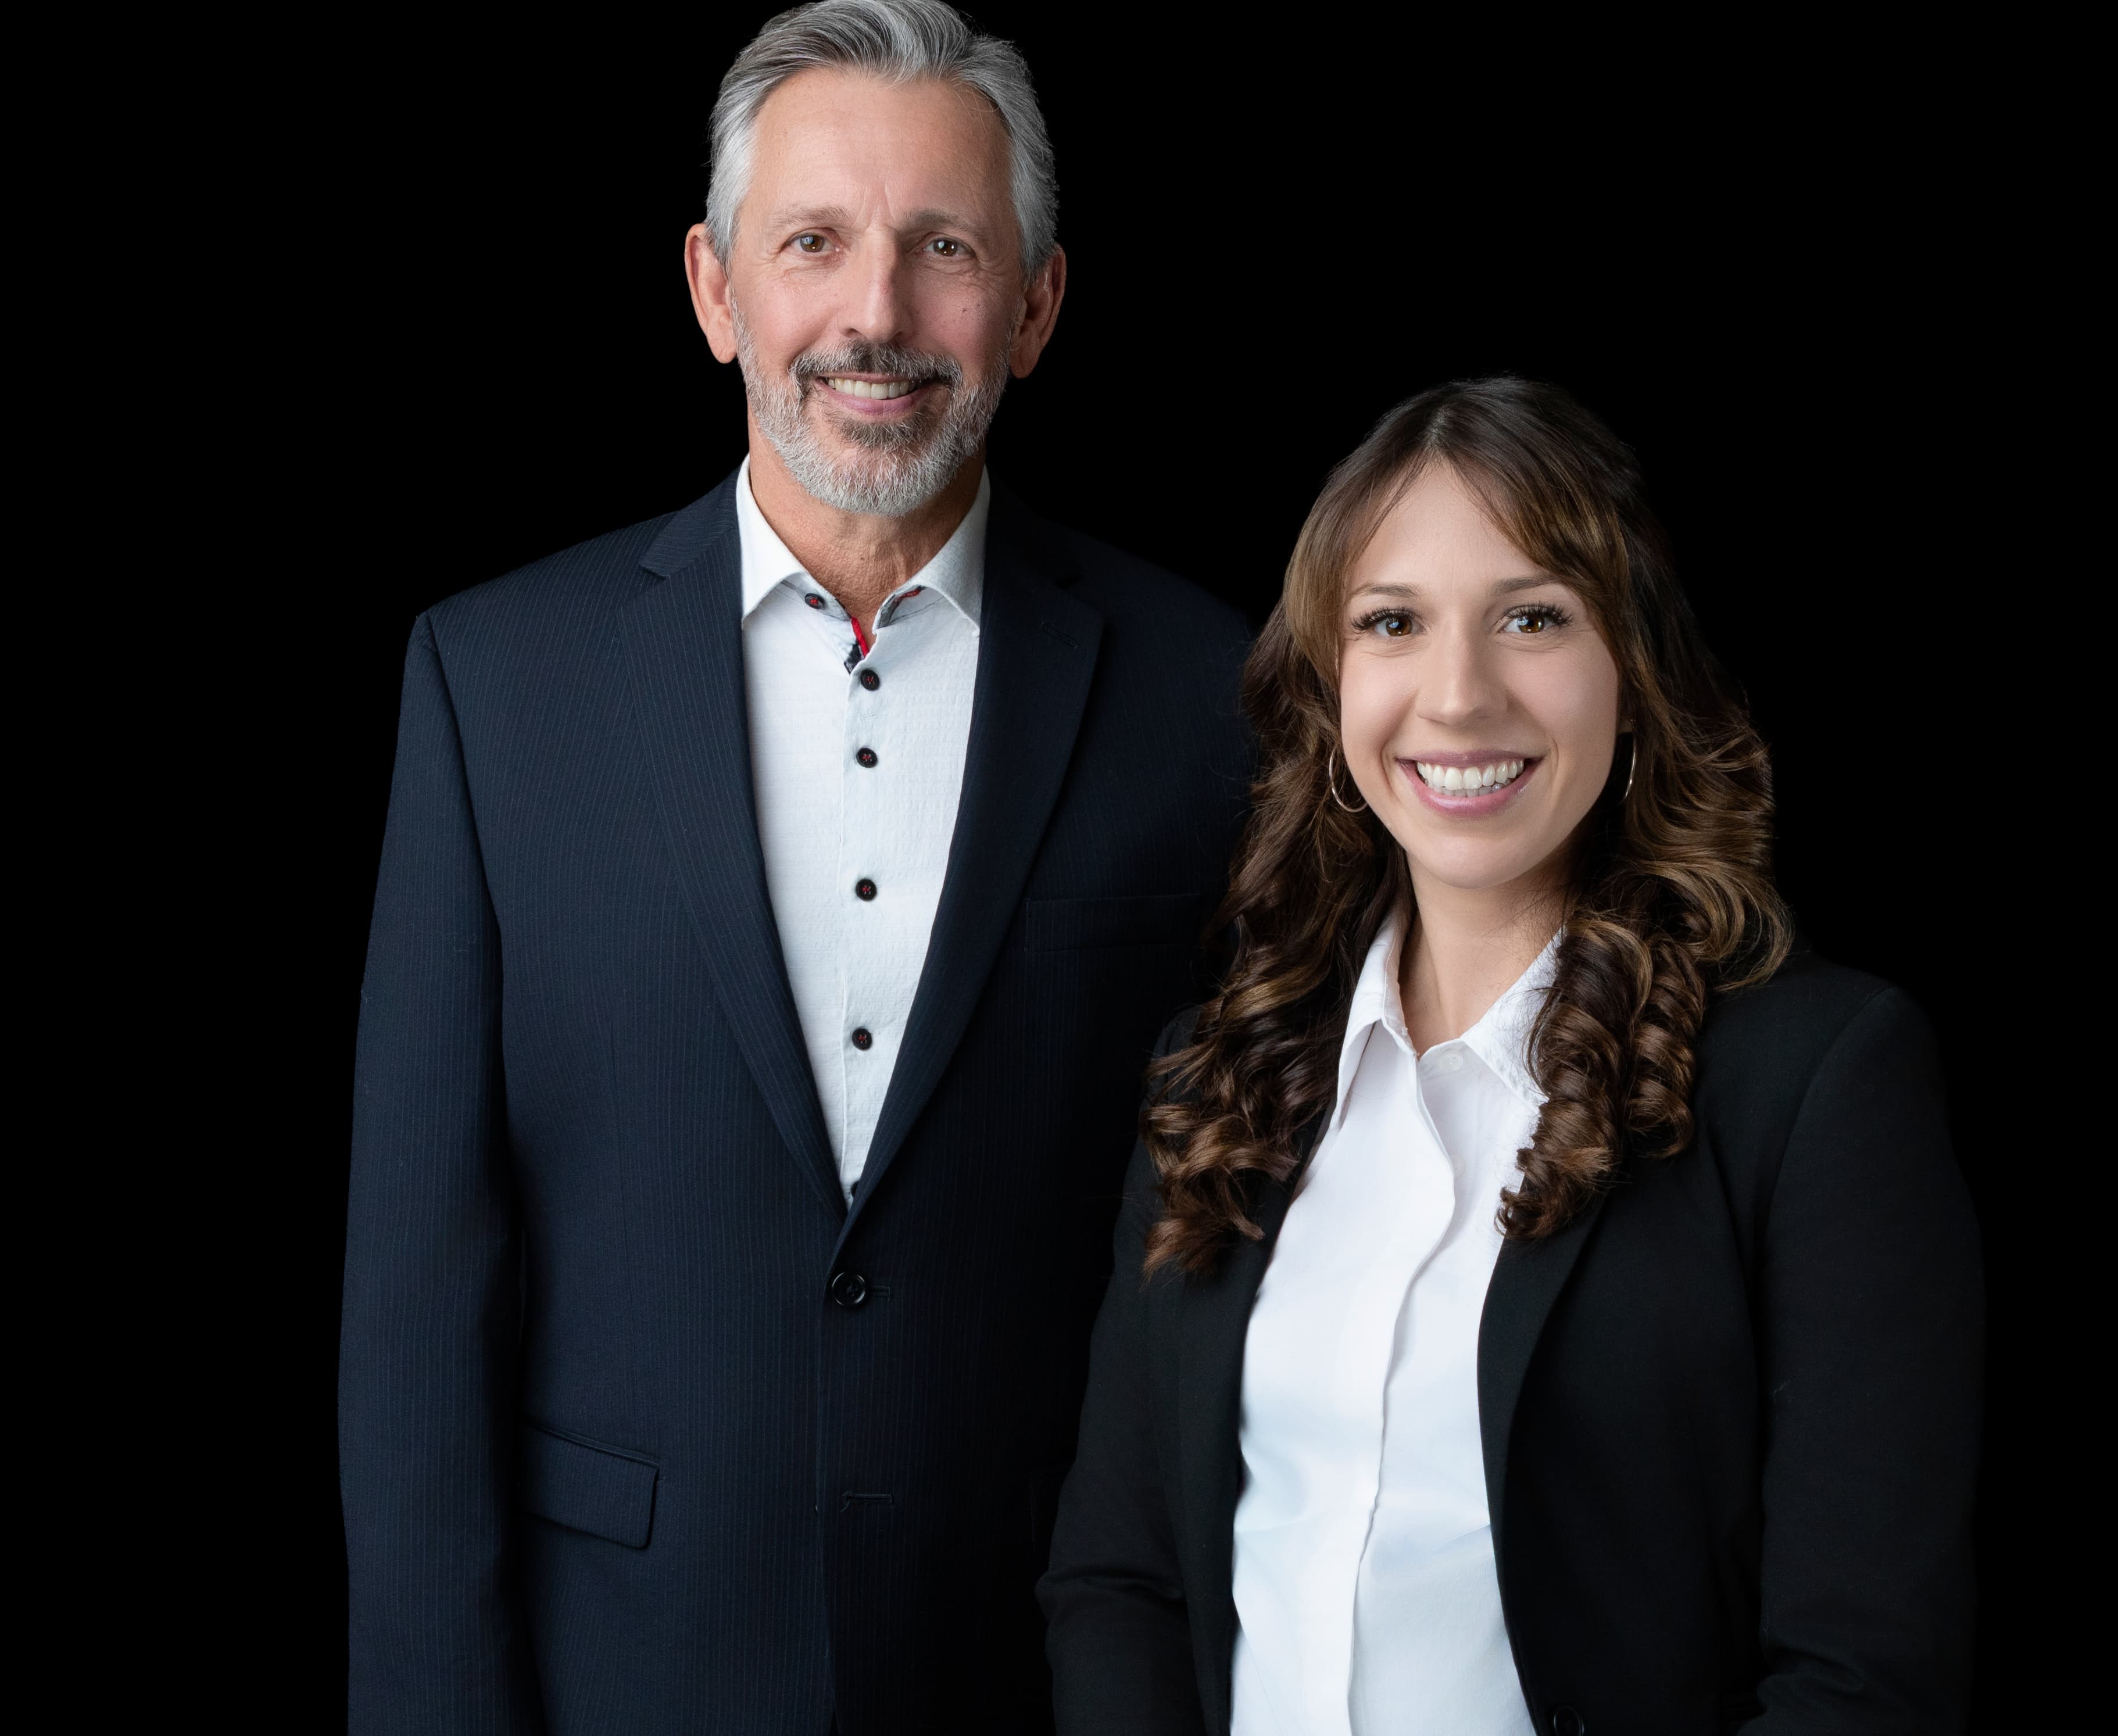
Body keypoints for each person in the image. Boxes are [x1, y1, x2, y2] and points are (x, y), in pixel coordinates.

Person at [338, 4, 1251, 1731]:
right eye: (813, 242)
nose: (876, 316)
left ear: (1037, 305)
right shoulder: (494, 683)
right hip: (620, 1666)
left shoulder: (1210, 697)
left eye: (944, 249)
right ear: (713, 289)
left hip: (1047, 1667)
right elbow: (415, 1297)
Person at [1040, 378, 1982, 1735]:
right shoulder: (1222, 1075)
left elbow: (1861, 1677)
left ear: (1634, 669)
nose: (1459, 694)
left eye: (1532, 618)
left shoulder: (1817, 1084)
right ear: (1329, 684)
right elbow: (1120, 1579)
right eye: (1392, 625)